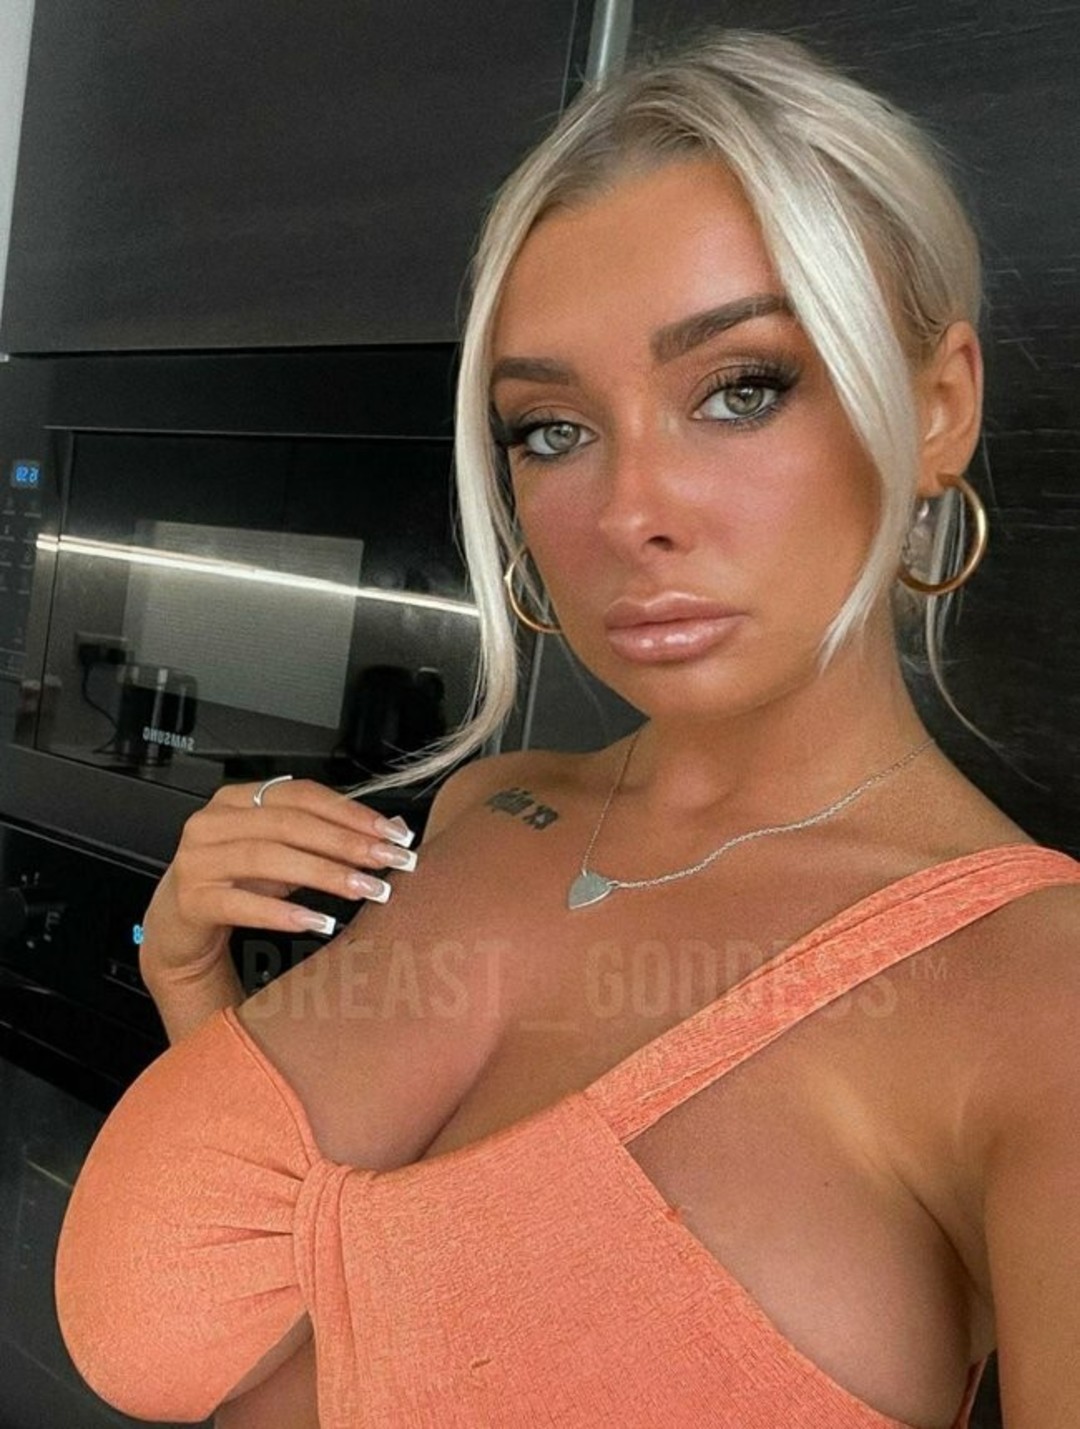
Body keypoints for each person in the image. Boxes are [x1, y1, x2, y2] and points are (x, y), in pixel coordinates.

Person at [55, 29, 1079, 1429]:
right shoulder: (495, 809)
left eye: (742, 389)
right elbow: (343, 1307)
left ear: (939, 407)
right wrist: (189, 980)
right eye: (551, 429)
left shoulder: (1033, 1001)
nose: (628, 511)